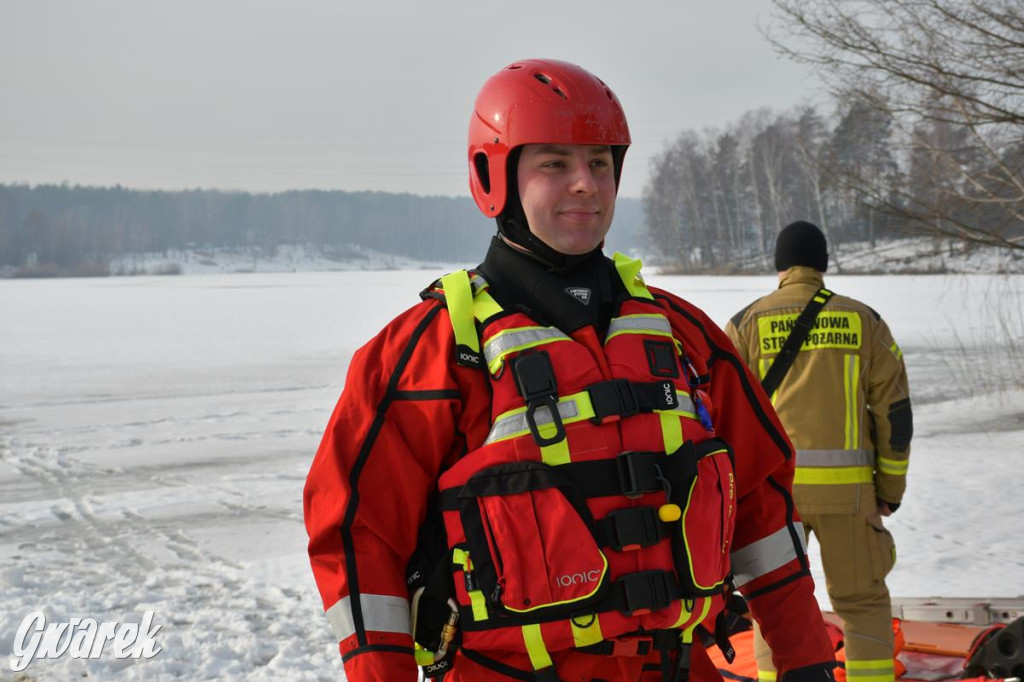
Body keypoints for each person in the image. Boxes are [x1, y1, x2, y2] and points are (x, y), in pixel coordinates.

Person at [304, 59, 836, 682]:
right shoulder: (433, 353)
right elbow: (357, 537)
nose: (585, 184)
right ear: (493, 176)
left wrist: (806, 663)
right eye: (554, 163)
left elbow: (762, 514)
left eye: (599, 163)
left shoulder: (685, 338)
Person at [725, 221, 913, 682]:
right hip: (850, 496)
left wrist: (731, 500)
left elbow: (723, 416)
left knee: (773, 602)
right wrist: (890, 490)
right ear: (823, 263)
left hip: (773, 497)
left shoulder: (745, 324)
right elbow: (895, 416)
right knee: (862, 601)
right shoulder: (865, 322)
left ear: (779, 265)